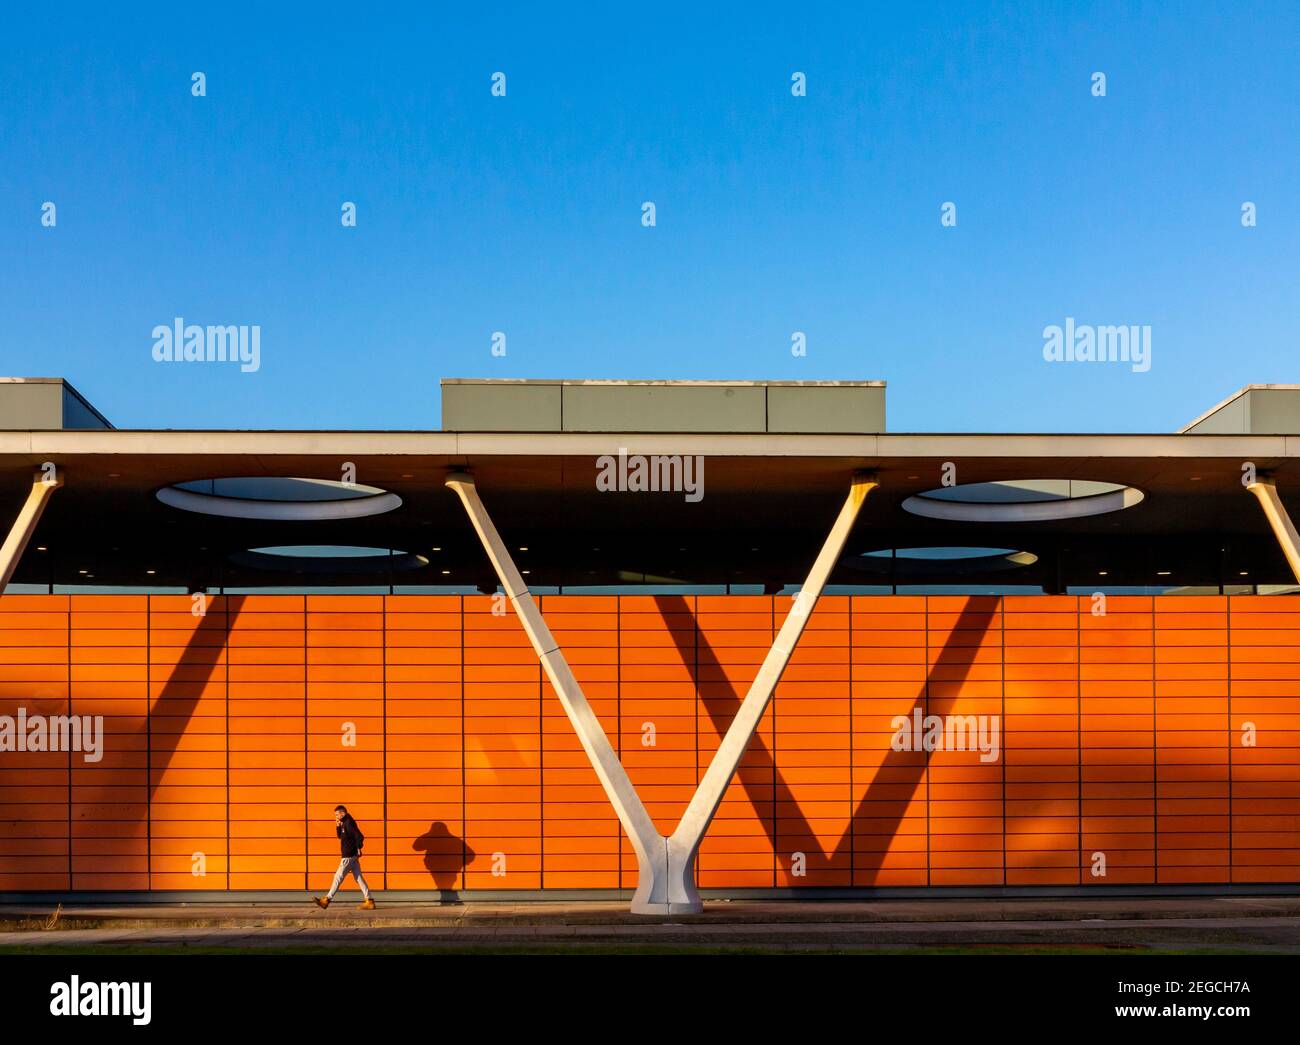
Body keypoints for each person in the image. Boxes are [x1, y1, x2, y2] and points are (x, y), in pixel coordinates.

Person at [313, 805, 376, 909]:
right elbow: (340, 837)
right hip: (352, 856)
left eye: (337, 814)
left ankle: (326, 900)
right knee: (359, 878)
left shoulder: (348, 823)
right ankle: (369, 900)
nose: (336, 817)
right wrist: (338, 826)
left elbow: (360, 836)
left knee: (337, 877)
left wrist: (358, 847)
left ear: (343, 813)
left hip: (348, 856)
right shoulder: (345, 822)